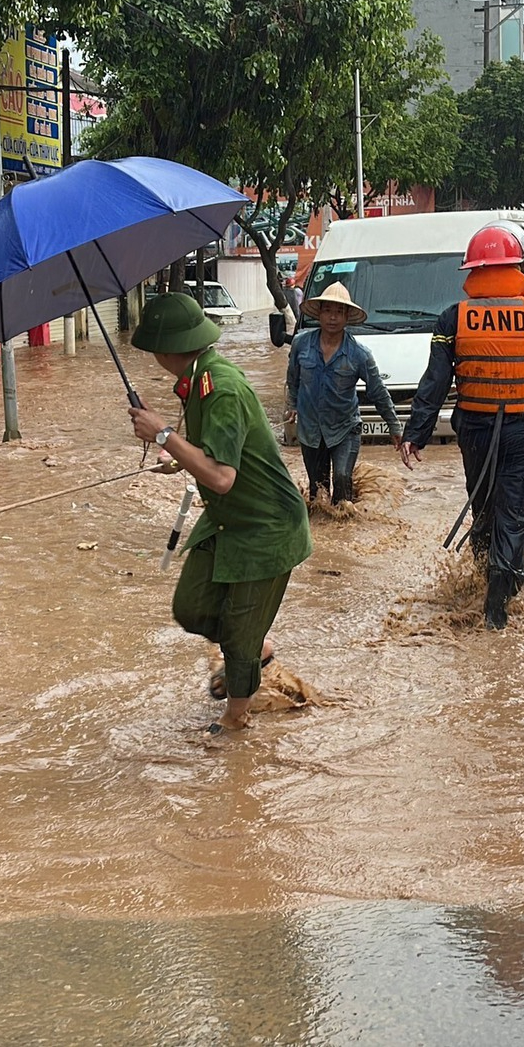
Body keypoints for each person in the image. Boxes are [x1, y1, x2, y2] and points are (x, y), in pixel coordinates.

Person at [126, 292, 311, 733]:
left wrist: (165, 434)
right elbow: (215, 453)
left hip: (265, 527)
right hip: (228, 521)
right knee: (191, 607)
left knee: (239, 635)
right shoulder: (197, 380)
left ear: (164, 348)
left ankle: (235, 718)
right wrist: (176, 453)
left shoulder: (219, 386)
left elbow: (222, 477)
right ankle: (253, 652)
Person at [397, 223, 524, 631]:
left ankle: (486, 578)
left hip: (476, 433)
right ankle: (500, 596)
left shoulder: (453, 318)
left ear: (473, 270)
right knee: (516, 511)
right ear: (517, 266)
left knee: (484, 506)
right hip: (521, 431)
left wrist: (416, 434)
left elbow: (435, 382)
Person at [285, 282, 398, 508]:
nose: (333, 318)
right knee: (318, 492)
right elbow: (292, 378)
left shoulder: (359, 354)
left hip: (345, 429)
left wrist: (394, 426)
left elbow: (378, 391)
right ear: (319, 314)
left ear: (347, 317)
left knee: (342, 479)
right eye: (327, 311)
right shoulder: (301, 344)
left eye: (339, 312)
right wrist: (292, 405)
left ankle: (346, 524)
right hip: (311, 429)